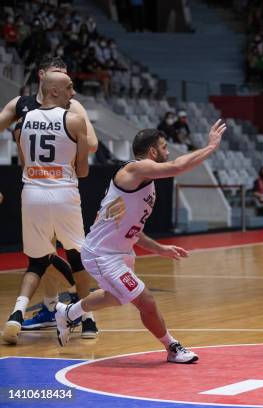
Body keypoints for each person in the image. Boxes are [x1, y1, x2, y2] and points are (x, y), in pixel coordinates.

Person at [55, 120, 227, 363]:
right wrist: (210, 147)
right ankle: (172, 347)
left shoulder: (145, 182)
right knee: (145, 301)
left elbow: (133, 230)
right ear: (153, 152)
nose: (168, 153)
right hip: (101, 254)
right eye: (165, 148)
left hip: (120, 251)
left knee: (114, 297)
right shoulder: (134, 171)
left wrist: (160, 248)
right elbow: (177, 167)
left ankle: (67, 312)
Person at [0, 57, 99, 339]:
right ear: (53, 88)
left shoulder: (22, 121)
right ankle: (87, 319)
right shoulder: (75, 116)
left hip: (32, 192)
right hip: (64, 192)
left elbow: (23, 160)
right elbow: (82, 167)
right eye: (69, 85)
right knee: (78, 257)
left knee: (37, 259)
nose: (74, 92)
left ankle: (19, 311)